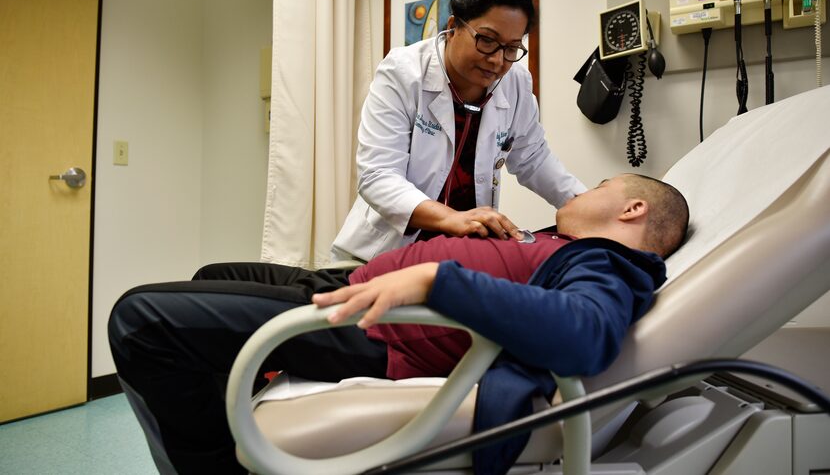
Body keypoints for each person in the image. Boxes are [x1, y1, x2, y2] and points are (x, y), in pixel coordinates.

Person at [108, 174, 688, 474]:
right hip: (351, 284)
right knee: (213, 272)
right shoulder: (565, 243)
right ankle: (233, 429)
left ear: (631, 209)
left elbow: (586, 334)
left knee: (141, 320)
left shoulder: (610, 261)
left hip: (377, 328)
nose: (585, 191)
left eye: (601, 187)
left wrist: (438, 280)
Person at [331, 0, 586, 262]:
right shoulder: (402, 73)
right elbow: (378, 176)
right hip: (380, 252)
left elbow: (533, 159)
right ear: (453, 27)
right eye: (487, 40)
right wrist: (454, 219)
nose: (498, 60)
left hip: (458, 255)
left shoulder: (516, 83)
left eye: (512, 48)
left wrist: (588, 207)